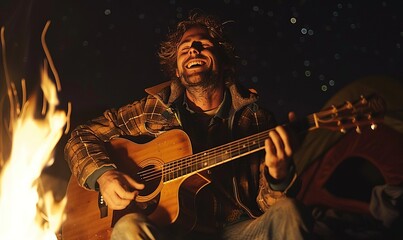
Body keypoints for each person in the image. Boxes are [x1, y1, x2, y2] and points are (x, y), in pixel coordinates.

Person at [64, 9, 313, 240]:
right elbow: (81, 137)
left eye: (203, 45)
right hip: (171, 233)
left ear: (224, 60)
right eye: (184, 49)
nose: (193, 50)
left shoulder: (258, 120)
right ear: (176, 69)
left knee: (289, 211)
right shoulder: (152, 109)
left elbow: (267, 205)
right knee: (128, 228)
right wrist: (104, 176)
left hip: (238, 230)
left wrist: (278, 175)